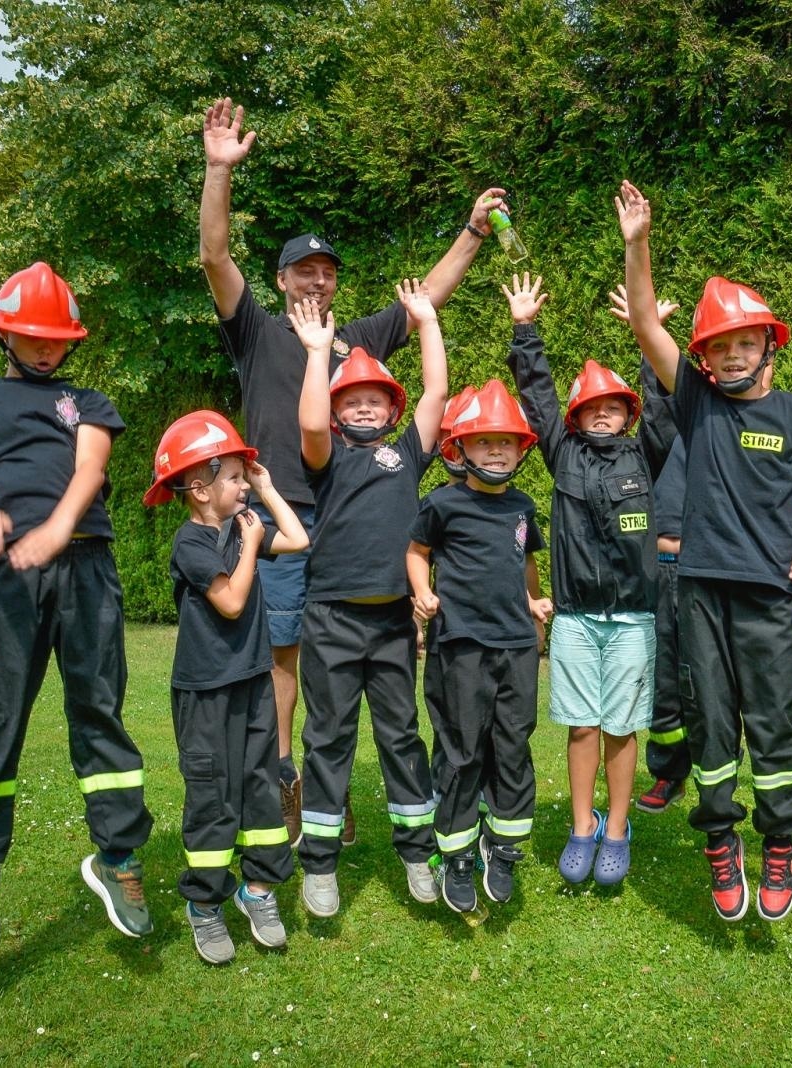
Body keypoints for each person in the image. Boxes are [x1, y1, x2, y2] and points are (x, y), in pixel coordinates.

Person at [200, 96, 506, 841]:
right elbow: (214, 255)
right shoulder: (257, 333)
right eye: (302, 272)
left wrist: (470, 232)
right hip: (278, 523)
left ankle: (349, 789)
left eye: (326, 273)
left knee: (350, 663)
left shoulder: (355, 345)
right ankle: (282, 779)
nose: (316, 282)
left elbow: (425, 301)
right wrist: (218, 172)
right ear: (280, 282)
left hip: (349, 528)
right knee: (280, 655)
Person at [619, 181, 792, 923]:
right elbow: (648, 322)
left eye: (745, 341)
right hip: (698, 591)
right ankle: (721, 842)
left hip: (770, 596)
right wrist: (638, 242)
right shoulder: (697, 401)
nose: (731, 354)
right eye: (719, 346)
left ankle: (779, 844)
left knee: (775, 724)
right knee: (712, 724)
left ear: (768, 345)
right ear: (705, 360)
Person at [0, 262, 154, 957]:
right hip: (7, 582)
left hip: (86, 568)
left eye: (55, 337)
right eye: (30, 335)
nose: (44, 347)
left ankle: (117, 858)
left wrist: (57, 530)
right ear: (5, 333)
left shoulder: (87, 402)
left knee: (99, 711)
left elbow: (90, 470)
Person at [289, 280, 447, 915]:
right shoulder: (323, 457)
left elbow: (436, 392)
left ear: (390, 409)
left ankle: (417, 853)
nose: (361, 408)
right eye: (349, 400)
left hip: (390, 624)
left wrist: (427, 321)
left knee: (401, 736)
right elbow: (306, 419)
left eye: (373, 401)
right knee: (327, 738)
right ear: (336, 411)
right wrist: (316, 352)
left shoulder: (406, 455)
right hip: (329, 621)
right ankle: (320, 867)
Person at [503, 273, 665, 887]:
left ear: (627, 413)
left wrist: (649, 336)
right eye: (590, 408)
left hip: (631, 618)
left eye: (612, 407)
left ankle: (617, 830)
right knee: (582, 724)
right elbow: (538, 395)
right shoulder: (562, 451)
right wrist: (525, 330)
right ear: (577, 417)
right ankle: (581, 825)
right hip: (573, 617)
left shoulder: (647, 451)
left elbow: (670, 400)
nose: (601, 414)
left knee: (622, 726)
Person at [142, 411, 309, 963]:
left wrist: (265, 488)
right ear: (198, 488)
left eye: (245, 476)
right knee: (213, 799)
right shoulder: (190, 543)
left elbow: (299, 537)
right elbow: (232, 602)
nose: (244, 484)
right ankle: (206, 907)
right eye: (235, 477)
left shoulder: (244, 527)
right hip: (205, 693)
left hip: (253, 684)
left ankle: (257, 892)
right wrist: (251, 544)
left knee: (260, 789)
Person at [407, 380, 553, 913]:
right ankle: (458, 854)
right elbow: (417, 550)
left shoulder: (522, 507)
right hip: (461, 645)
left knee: (513, 743)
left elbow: (526, 563)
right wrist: (422, 593)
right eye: (485, 440)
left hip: (516, 645)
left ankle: (505, 847)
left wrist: (533, 603)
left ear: (522, 450)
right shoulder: (442, 504)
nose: (497, 449)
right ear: (459, 449)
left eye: (507, 441)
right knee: (463, 748)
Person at [608, 285, 694, 817]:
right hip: (661, 571)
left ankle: (713, 775)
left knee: (706, 679)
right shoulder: (665, 436)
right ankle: (667, 774)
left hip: (709, 570)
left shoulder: (736, 428)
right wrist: (648, 338)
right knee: (662, 679)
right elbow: (660, 401)